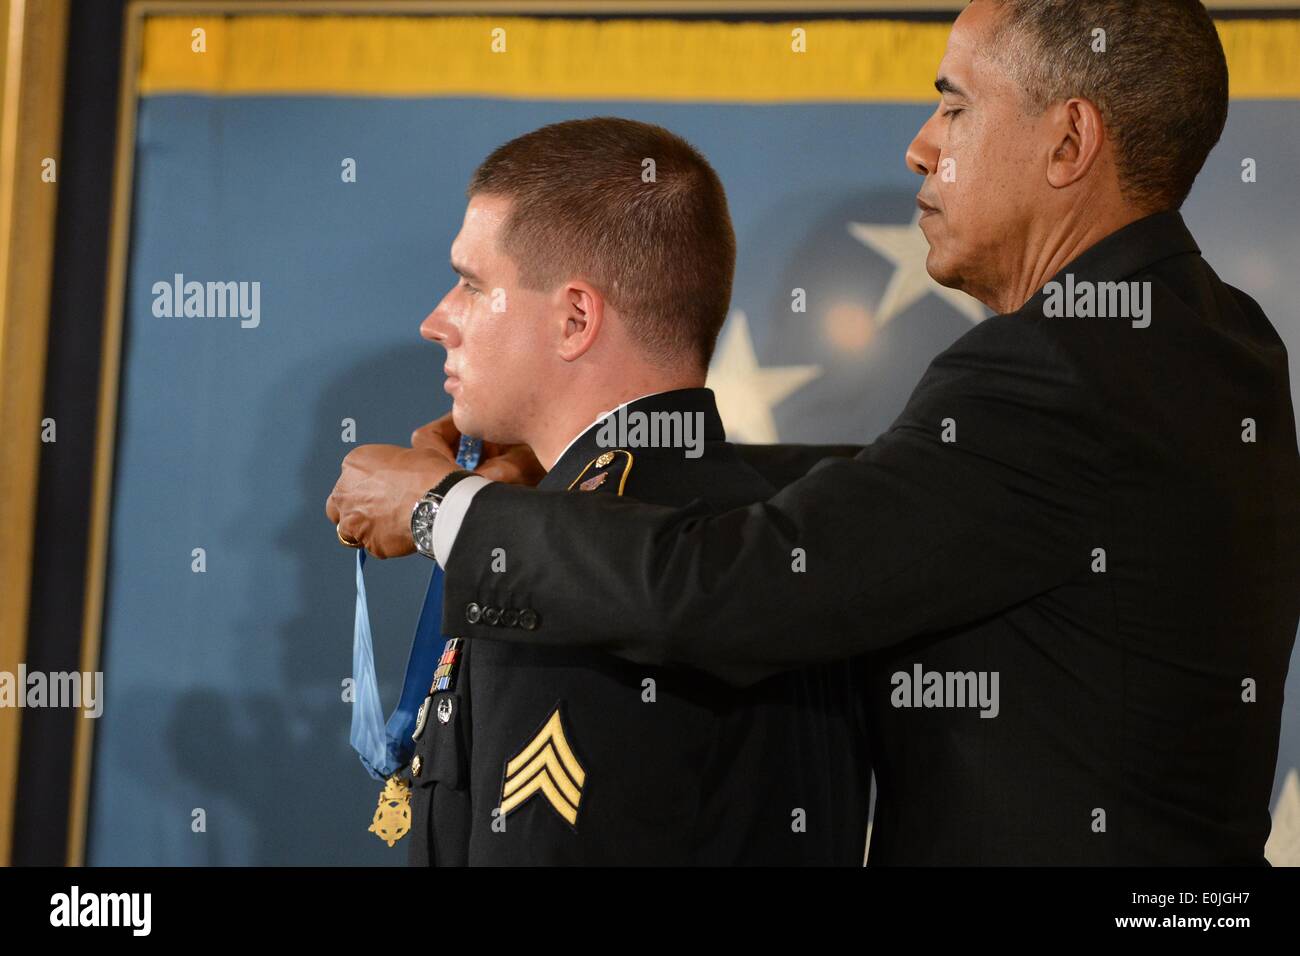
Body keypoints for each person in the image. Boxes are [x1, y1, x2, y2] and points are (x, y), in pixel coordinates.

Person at [329, 0, 1300, 864]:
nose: (920, 146)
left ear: (1067, 140)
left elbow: (748, 583)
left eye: (955, 105)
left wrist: (443, 508)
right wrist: (583, 470)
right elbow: (910, 493)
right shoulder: (1210, 338)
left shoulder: (1055, 371)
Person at [334, 117, 871, 865]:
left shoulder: (564, 575)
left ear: (576, 318)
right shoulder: (750, 523)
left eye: (470, 284)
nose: (435, 322)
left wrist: (487, 509)